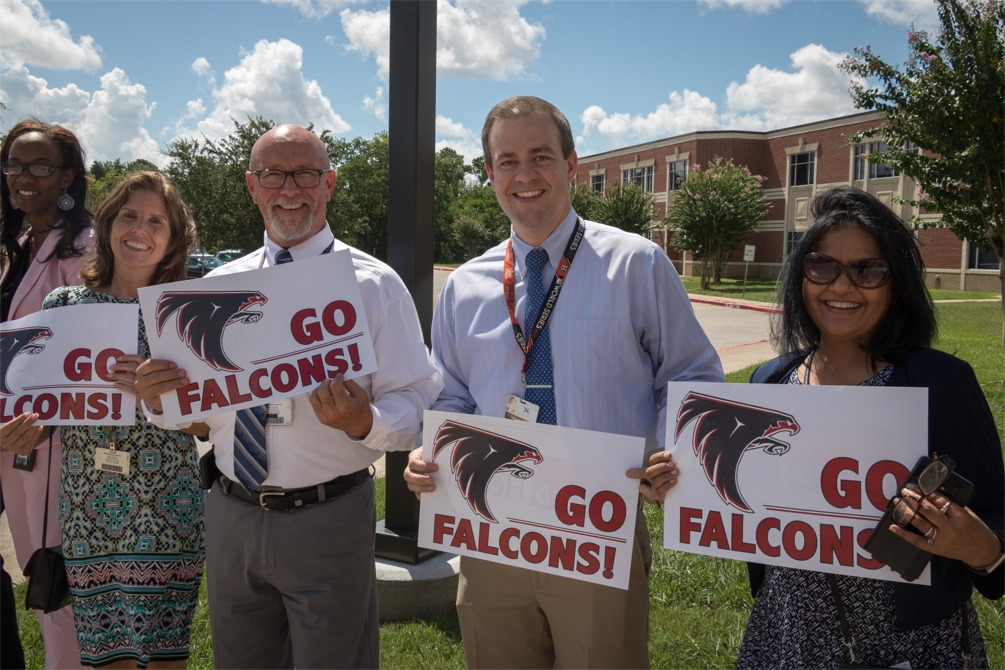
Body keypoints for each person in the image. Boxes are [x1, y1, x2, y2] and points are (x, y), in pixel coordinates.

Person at [403, 96, 723, 669]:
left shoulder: (637, 265)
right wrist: (430, 452)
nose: (524, 175)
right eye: (507, 161)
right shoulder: (464, 286)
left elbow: (691, 375)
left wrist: (668, 450)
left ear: (572, 164)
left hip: (599, 522)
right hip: (492, 530)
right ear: (490, 174)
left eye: (541, 156)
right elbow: (449, 394)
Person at [133, 124, 443, 669]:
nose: (290, 187)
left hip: (328, 517)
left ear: (331, 183)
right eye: (274, 174)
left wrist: (363, 421)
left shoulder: (374, 285)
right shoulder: (210, 292)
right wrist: (158, 402)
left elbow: (417, 403)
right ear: (252, 186)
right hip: (231, 512)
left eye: (306, 173)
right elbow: (194, 413)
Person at [735, 187, 1004, 669]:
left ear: (895, 284)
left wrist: (981, 548)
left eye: (868, 270)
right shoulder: (768, 381)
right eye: (822, 266)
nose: (841, 287)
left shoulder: (940, 384)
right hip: (785, 631)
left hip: (907, 645)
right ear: (801, 278)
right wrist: (679, 480)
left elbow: (997, 524)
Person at [10, 171, 204, 668]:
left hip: (169, 507)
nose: (140, 228)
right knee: (104, 657)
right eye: (129, 214)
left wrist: (155, 401)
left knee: (164, 657)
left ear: (174, 236)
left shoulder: (183, 313)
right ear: (109, 222)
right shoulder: (64, 306)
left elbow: (209, 426)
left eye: (157, 220)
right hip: (90, 509)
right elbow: (45, 406)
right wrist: (22, 431)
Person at [0, 118, 92, 670]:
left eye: (40, 166)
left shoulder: (84, 250)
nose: (23, 176)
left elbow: (89, 358)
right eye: (14, 164)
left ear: (68, 178)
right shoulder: (12, 245)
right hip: (8, 437)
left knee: (53, 578)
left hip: (49, 443)